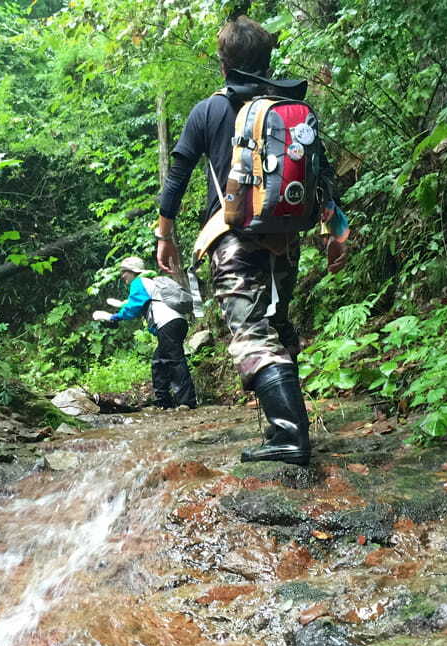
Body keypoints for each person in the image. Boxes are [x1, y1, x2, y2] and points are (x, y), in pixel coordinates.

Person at [154, 15, 346, 466]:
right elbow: (322, 173)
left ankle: (290, 439)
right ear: (268, 58)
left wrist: (166, 235)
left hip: (233, 237)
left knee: (251, 334)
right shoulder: (288, 108)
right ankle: (285, 430)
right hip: (284, 238)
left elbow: (177, 176)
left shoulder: (210, 110)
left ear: (224, 63)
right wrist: (336, 230)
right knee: (277, 324)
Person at [93, 257, 198, 409]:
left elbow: (134, 307)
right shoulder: (149, 282)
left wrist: (113, 317)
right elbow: (138, 303)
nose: (122, 276)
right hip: (176, 322)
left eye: (124, 272)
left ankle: (187, 402)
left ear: (134, 271)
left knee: (175, 361)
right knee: (159, 362)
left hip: (167, 323)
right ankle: (163, 402)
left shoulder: (139, 282)